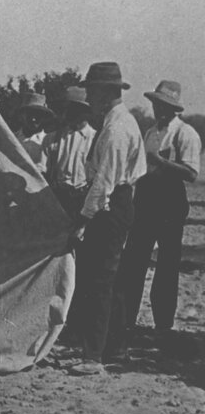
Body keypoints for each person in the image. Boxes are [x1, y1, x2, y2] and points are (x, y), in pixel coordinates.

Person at [67, 62, 146, 376]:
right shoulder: (118, 122)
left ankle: (93, 356)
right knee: (112, 281)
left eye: (94, 91)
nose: (91, 97)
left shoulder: (116, 129)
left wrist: (84, 220)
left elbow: (104, 182)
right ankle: (115, 348)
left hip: (110, 205)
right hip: (119, 201)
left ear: (106, 92)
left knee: (100, 281)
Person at [118, 81, 201, 336]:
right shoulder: (151, 132)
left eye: (164, 106)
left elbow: (191, 173)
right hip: (146, 202)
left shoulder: (185, 133)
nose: (159, 110)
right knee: (134, 261)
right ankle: (126, 320)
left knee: (167, 266)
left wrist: (161, 162)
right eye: (156, 104)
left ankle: (162, 325)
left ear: (174, 108)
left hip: (170, 205)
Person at [43, 86, 96, 221]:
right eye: (67, 108)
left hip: (83, 200)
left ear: (86, 112)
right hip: (58, 199)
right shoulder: (51, 138)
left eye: (76, 109)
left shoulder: (96, 139)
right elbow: (41, 169)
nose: (69, 113)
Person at [13, 92, 54, 170]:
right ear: (22, 115)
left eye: (38, 114)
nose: (33, 119)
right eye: (30, 114)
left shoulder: (49, 142)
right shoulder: (12, 139)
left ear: (44, 117)